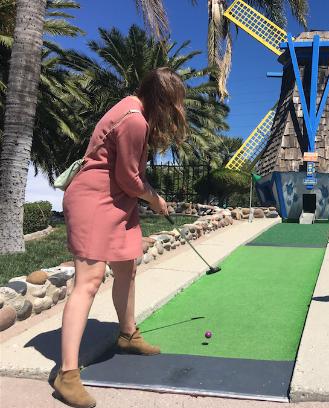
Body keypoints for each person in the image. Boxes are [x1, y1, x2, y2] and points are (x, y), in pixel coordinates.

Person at [53, 67, 187, 408]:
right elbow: (129, 178)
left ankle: (127, 334)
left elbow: (126, 178)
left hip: (116, 201)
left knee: (127, 266)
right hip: (94, 200)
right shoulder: (134, 120)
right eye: (172, 106)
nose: (173, 114)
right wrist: (155, 199)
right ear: (160, 101)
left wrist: (147, 195)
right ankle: (67, 374)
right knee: (89, 280)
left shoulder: (131, 106)